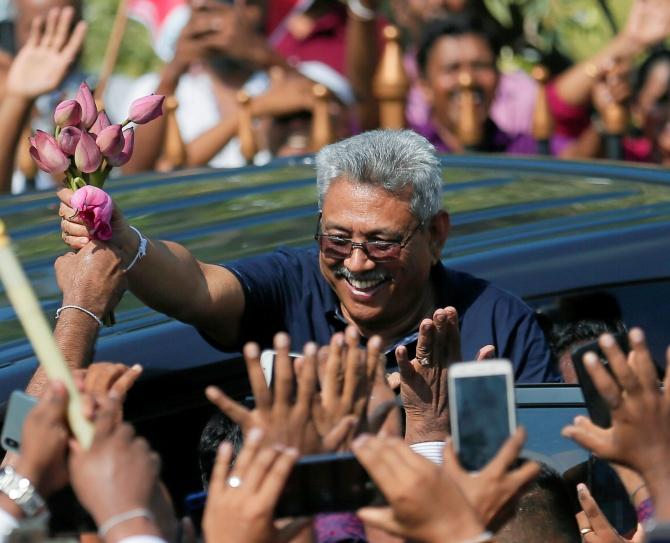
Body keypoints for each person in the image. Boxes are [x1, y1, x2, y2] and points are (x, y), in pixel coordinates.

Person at [58, 129, 557, 382]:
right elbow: (197, 290)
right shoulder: (291, 284)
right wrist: (120, 238)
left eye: (383, 243)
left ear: (436, 235)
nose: (357, 264)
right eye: (337, 239)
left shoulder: (498, 323)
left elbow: (553, 473)